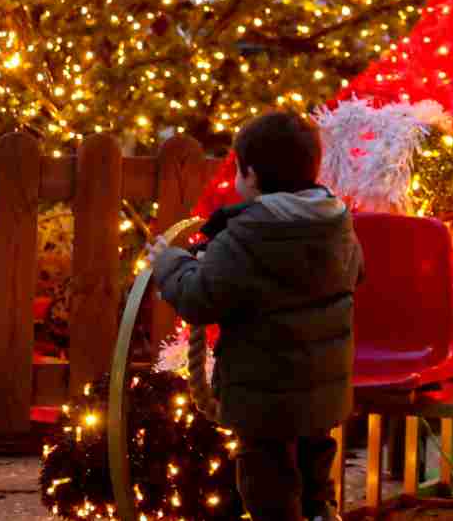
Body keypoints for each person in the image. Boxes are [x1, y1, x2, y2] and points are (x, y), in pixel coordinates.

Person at [149, 112, 363, 521]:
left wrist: (170, 262)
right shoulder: (337, 224)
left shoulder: (248, 236)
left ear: (250, 174)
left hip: (266, 398)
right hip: (323, 391)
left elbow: (199, 297)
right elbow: (359, 273)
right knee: (315, 477)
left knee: (269, 486)